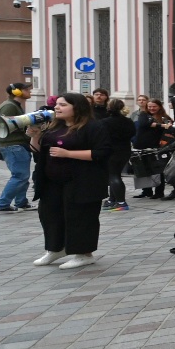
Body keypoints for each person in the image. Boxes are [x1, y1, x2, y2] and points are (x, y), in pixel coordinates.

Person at [29, 93, 112, 269]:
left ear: (77, 107)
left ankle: (84, 254)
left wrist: (68, 154)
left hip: (82, 181)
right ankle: (56, 248)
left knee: (80, 216)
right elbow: (39, 152)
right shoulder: (53, 126)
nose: (57, 108)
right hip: (52, 181)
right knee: (50, 214)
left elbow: (102, 153)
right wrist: (35, 136)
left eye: (63, 105)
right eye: (57, 105)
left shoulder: (93, 127)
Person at [0, 84, 33, 213]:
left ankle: (21, 202)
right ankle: (2, 204)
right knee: (20, 176)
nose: (29, 91)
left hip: (17, 145)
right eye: (26, 89)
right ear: (17, 92)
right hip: (13, 145)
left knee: (23, 176)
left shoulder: (14, 105)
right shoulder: (9, 106)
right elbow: (5, 126)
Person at [101, 99, 136, 212]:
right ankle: (112, 199)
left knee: (113, 175)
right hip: (125, 150)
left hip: (111, 151)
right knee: (116, 174)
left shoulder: (105, 122)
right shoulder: (128, 121)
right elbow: (133, 133)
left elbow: (102, 136)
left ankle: (121, 202)